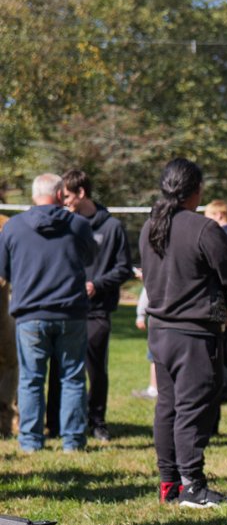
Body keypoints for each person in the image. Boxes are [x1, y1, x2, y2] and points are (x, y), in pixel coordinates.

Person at [139, 158, 227, 507]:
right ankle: (192, 486)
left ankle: (169, 483)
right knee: (191, 409)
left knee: (167, 406)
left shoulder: (150, 226)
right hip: (193, 333)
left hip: (160, 331)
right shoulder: (203, 228)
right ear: (195, 190)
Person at [0, 173, 96, 453]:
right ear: (58, 194)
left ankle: (30, 440)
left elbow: (3, 271)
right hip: (71, 312)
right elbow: (90, 257)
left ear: (33, 196)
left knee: (31, 379)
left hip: (30, 313)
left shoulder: (14, 227)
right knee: (73, 378)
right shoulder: (78, 225)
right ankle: (74, 441)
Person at [57, 169, 133, 442]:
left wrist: (97, 285)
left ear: (81, 193)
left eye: (66, 195)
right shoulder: (64, 223)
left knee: (95, 368)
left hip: (97, 310)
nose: (63, 201)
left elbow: (124, 268)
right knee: (63, 367)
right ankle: (60, 421)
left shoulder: (111, 227)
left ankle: (97, 421)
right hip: (65, 307)